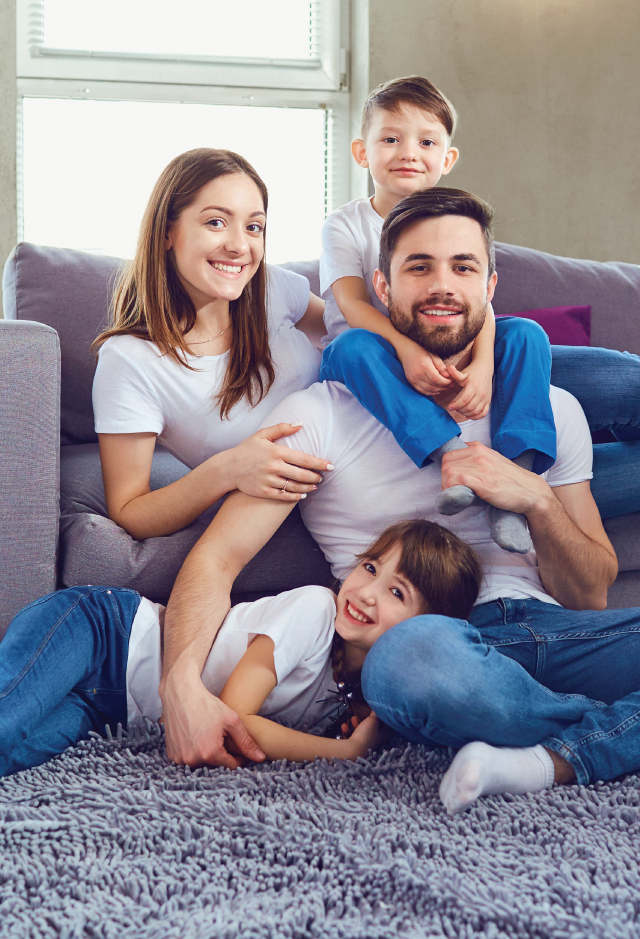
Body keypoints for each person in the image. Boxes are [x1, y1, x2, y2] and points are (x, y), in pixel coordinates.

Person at [158, 187, 640, 818]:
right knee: (407, 660)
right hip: (429, 645)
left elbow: (590, 595)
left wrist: (537, 502)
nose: (443, 284)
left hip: (549, 627)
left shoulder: (551, 411)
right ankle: (605, 728)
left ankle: (546, 758)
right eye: (420, 267)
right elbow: (216, 559)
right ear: (381, 289)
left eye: (463, 267)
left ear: (491, 288)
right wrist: (180, 687)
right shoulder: (321, 416)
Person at [318, 76, 640, 535]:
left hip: (457, 347)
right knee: (352, 347)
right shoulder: (345, 225)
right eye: (391, 139)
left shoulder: (457, 220)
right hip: (375, 351)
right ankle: (452, 456)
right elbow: (350, 303)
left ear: (446, 159)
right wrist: (408, 352)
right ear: (361, 152)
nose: (408, 152)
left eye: (426, 141)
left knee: (527, 333)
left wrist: (485, 365)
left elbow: (482, 306)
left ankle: (517, 474)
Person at [0, 520, 482, 778]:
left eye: (398, 593)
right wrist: (346, 753)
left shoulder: (362, 691)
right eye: (371, 569)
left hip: (107, 709)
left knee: (15, 753)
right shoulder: (314, 611)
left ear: (429, 627)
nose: (367, 592)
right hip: (102, 632)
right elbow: (233, 718)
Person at [92, 147, 332, 542]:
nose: (240, 246)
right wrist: (228, 469)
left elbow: (353, 334)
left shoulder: (271, 287)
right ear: (167, 232)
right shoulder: (131, 361)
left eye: (254, 227)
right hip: (288, 508)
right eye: (217, 222)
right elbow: (130, 510)